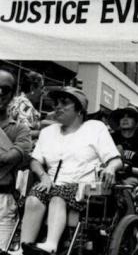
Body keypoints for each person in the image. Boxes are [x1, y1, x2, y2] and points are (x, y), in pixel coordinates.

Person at [19, 86, 122, 255]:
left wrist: (111, 167)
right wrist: (43, 176)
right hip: (51, 183)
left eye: (64, 103)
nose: (57, 107)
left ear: (79, 109)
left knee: (59, 196)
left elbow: (115, 159)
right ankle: (24, 247)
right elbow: (35, 160)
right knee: (34, 197)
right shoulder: (47, 132)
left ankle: (50, 244)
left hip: (83, 187)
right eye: (56, 103)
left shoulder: (95, 128)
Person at [0, 68, 32, 250]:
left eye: (5, 89)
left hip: (3, 199)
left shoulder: (20, 130)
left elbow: (9, 158)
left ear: (13, 94)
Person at [108, 106, 138, 186]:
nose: (125, 119)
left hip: (133, 186)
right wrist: (121, 182)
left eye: (130, 116)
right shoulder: (110, 138)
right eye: (122, 117)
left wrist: (137, 181)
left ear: (137, 124)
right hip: (111, 182)